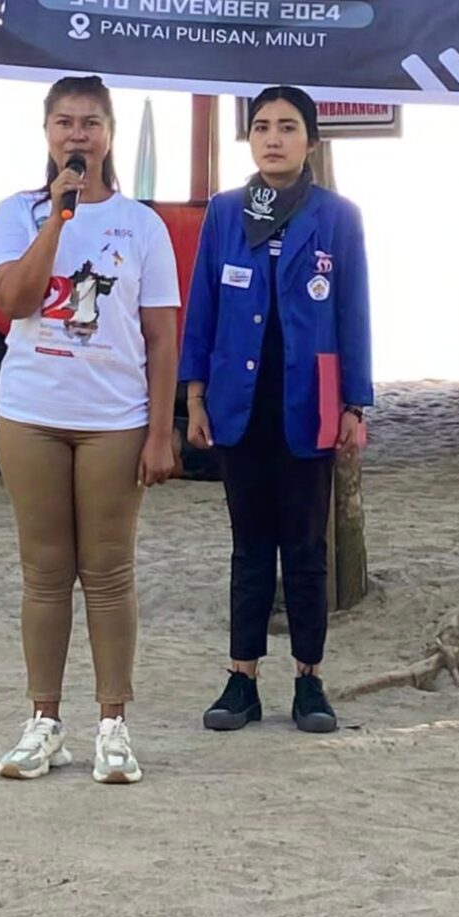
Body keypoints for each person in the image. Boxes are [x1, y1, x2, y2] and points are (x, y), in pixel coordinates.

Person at [0, 76, 181, 785]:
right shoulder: (18, 213)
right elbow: (15, 299)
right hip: (31, 415)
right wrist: (57, 220)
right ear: (47, 133)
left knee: (108, 571)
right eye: (65, 121)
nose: (77, 134)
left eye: (91, 122)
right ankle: (43, 722)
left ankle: (113, 725)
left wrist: (160, 432)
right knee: (44, 573)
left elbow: (162, 335)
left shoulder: (143, 225)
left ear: (108, 134)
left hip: (114, 422)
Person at [181, 85, 373, 737]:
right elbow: (203, 305)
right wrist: (195, 394)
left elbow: (353, 311)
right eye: (261, 126)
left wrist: (354, 402)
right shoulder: (224, 212)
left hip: (309, 403)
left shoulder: (338, 217)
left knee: (306, 548)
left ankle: (309, 681)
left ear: (311, 142)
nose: (272, 138)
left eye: (288, 127)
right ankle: (242, 680)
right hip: (238, 403)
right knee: (249, 547)